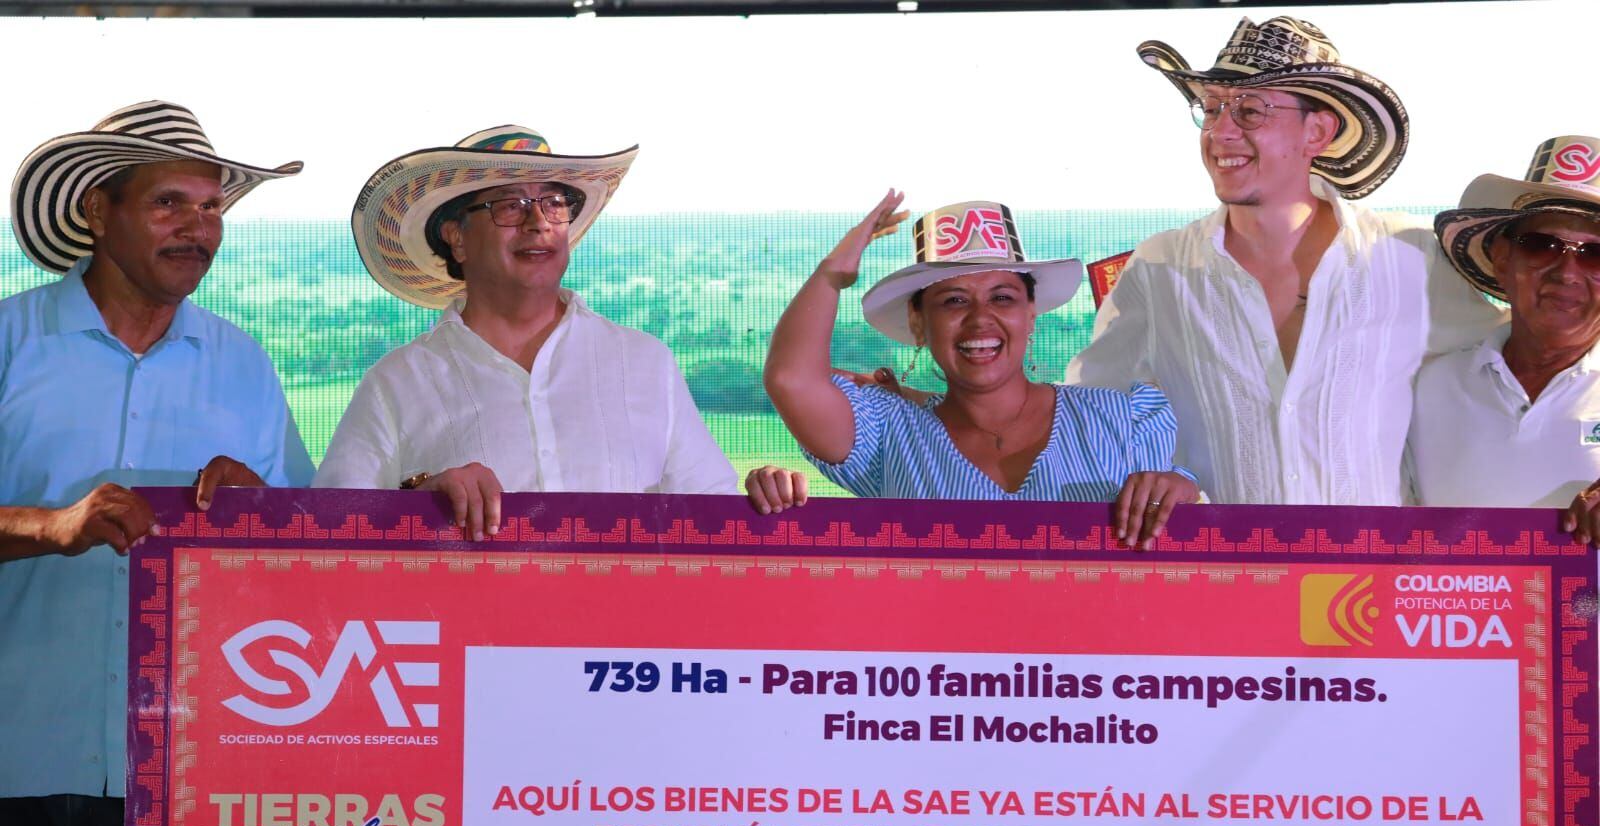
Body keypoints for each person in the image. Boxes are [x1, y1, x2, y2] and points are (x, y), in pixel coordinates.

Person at [0, 101, 311, 826]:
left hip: (171, 776)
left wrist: (261, 516)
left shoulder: (243, 365)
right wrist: (48, 527)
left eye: (212, 207)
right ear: (98, 211)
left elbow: (306, 558)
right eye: (170, 202)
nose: (198, 227)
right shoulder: (10, 344)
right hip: (8, 752)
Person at [1065, 15, 1505, 505]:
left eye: (1250, 111)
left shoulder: (1410, 254)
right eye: (1211, 109)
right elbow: (1090, 417)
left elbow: (1526, 367)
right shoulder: (1159, 269)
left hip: (1376, 578)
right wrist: (1164, 475)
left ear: (1317, 131)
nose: (1220, 131)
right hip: (1225, 577)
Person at [317, 126, 762, 532]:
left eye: (554, 203)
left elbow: (715, 523)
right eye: (510, 206)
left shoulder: (645, 363)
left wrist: (768, 499)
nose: (539, 223)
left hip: (627, 620)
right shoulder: (396, 383)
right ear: (456, 237)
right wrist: (418, 502)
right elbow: (326, 532)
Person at [761, 191, 1197, 547]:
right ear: (918, 323)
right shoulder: (885, 432)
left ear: (1031, 314)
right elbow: (791, 379)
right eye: (953, 300)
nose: (979, 318)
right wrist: (834, 272)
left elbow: (1190, 509)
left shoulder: (1126, 419)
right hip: (936, 656)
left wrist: (1183, 490)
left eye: (1002, 297)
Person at [1410, 136, 1600, 542]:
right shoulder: (1429, 387)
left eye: (1594, 254)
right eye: (1541, 246)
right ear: (1502, 259)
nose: (1566, 272)